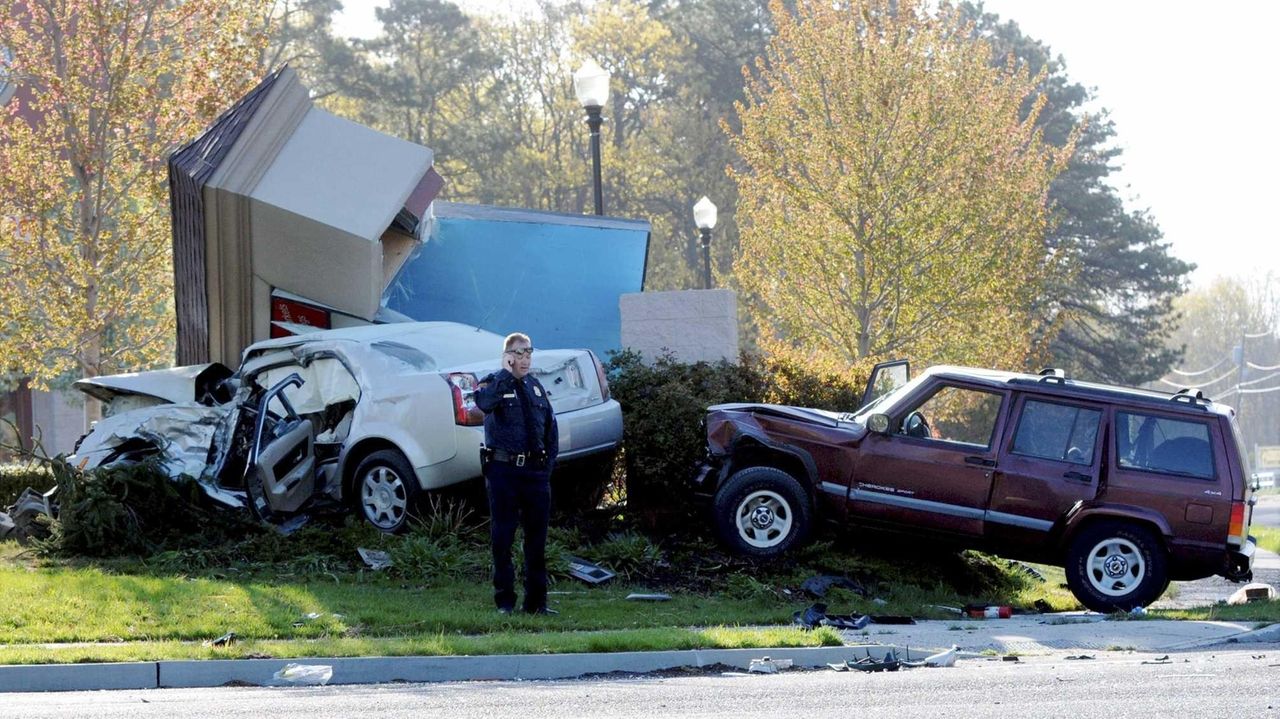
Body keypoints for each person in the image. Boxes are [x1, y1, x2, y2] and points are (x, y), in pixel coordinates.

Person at [474, 332, 559, 615]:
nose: (525, 358)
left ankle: (536, 604)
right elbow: (484, 404)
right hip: (503, 472)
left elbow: (550, 429)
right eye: (519, 353)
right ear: (508, 356)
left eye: (529, 352)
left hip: (535, 474)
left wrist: (546, 470)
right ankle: (505, 602)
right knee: (503, 537)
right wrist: (505, 372)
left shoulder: (536, 387)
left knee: (536, 541)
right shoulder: (493, 382)